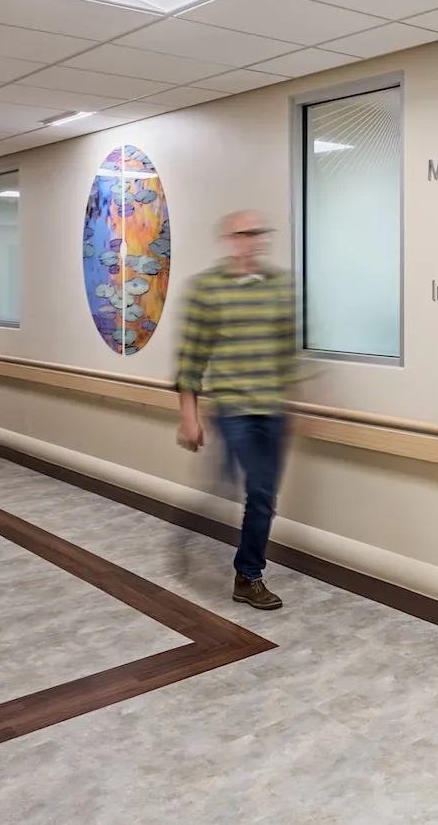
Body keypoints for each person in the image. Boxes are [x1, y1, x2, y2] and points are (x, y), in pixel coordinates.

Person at [174, 209, 299, 610]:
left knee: (263, 496)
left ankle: (245, 573)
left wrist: (299, 401)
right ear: (230, 240)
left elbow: (287, 350)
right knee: (259, 487)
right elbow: (191, 358)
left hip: (273, 409)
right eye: (245, 233)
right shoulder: (206, 289)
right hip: (233, 409)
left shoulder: (281, 285)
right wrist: (189, 417)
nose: (254, 240)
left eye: (260, 232)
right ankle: (249, 575)